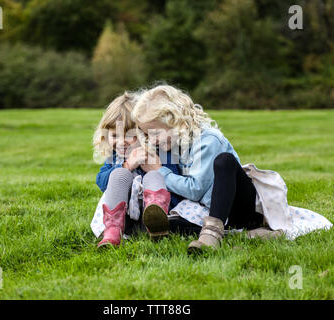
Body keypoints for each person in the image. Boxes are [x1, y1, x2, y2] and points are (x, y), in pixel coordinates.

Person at [132, 84, 265, 253]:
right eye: (147, 134)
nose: (151, 140)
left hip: (239, 207)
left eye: (155, 133)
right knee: (165, 225)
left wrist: (159, 171)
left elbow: (195, 190)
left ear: (175, 121)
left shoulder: (208, 139)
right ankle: (242, 235)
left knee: (225, 161)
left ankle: (215, 234)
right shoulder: (173, 144)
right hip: (207, 209)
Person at [92, 91, 182, 248]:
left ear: (143, 133)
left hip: (157, 214)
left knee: (154, 176)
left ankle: (156, 220)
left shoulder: (159, 152)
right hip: (125, 218)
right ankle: (112, 231)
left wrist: (157, 168)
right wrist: (127, 166)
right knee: (118, 174)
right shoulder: (115, 158)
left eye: (128, 135)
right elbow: (101, 181)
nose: (121, 142)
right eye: (114, 135)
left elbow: (174, 181)